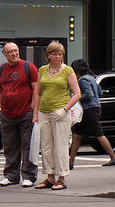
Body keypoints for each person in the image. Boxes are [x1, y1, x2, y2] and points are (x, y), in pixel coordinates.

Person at [31, 42, 82, 190]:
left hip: (60, 112)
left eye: (59, 54)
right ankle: (50, 176)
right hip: (44, 112)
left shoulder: (68, 71)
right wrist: (35, 113)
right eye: (54, 54)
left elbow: (77, 94)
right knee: (46, 147)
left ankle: (61, 178)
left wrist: (65, 109)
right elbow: (38, 92)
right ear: (48, 55)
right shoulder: (42, 70)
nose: (57, 56)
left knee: (60, 146)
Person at [0, 42, 40, 187]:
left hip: (26, 112)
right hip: (7, 114)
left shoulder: (29, 67)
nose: (14, 54)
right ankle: (11, 176)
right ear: (4, 54)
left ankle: (29, 176)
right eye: (10, 52)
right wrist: (0, 109)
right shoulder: (1, 69)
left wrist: (34, 110)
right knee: (10, 146)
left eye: (16, 51)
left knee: (28, 146)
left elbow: (36, 90)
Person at [68, 58, 115, 169]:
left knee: (97, 134)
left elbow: (89, 94)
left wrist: (76, 97)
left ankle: (114, 157)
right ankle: (70, 161)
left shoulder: (82, 80)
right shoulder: (91, 78)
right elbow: (99, 91)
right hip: (95, 108)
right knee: (78, 135)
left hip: (88, 110)